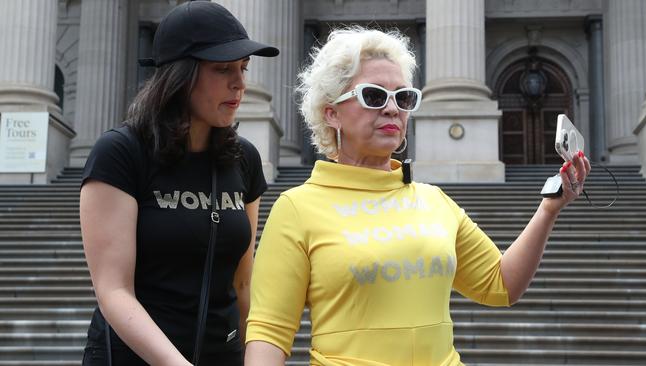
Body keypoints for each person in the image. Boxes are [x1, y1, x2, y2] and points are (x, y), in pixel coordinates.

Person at [244, 27, 590, 366]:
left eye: (404, 97)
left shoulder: (434, 200)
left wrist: (549, 208)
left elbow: (501, 284)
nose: (393, 109)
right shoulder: (296, 208)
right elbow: (269, 334)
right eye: (374, 96)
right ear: (331, 112)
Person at [79, 2, 278, 365]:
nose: (240, 83)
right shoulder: (121, 152)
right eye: (223, 69)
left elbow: (243, 284)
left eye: (243, 68)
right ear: (180, 76)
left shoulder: (244, 159)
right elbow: (114, 290)